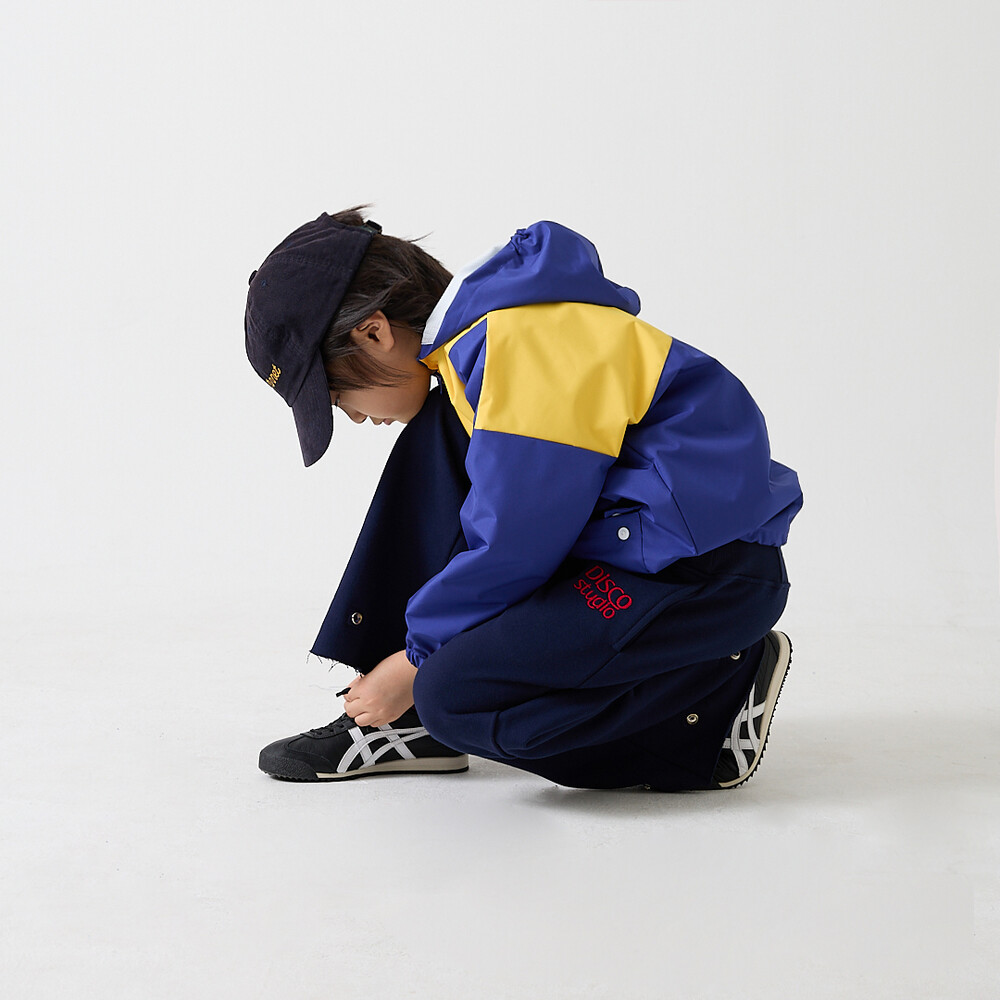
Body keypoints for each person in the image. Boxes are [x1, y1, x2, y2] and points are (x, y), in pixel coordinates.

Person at [244, 208, 803, 791]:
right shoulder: (480, 345)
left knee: (455, 698)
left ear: (374, 332)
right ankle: (404, 720)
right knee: (438, 430)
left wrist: (418, 660)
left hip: (699, 577)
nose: (354, 416)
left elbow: (518, 540)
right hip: (631, 545)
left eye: (336, 394)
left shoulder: (525, 348)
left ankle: (713, 705)